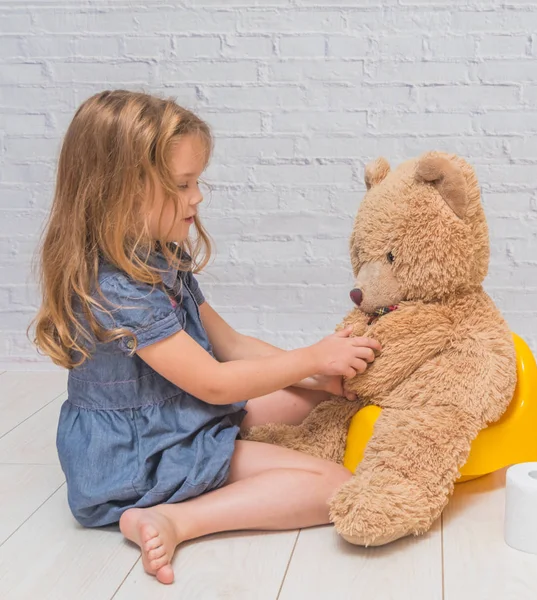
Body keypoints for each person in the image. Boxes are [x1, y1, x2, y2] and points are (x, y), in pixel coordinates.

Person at [31, 90, 380, 585]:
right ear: (121, 192)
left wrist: (318, 375)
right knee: (333, 485)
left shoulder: (158, 255)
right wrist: (312, 356)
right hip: (138, 454)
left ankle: (215, 467)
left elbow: (231, 345)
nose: (197, 196)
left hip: (173, 413)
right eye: (183, 183)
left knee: (312, 400)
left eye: (198, 181)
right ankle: (175, 519)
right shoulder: (117, 291)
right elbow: (215, 383)